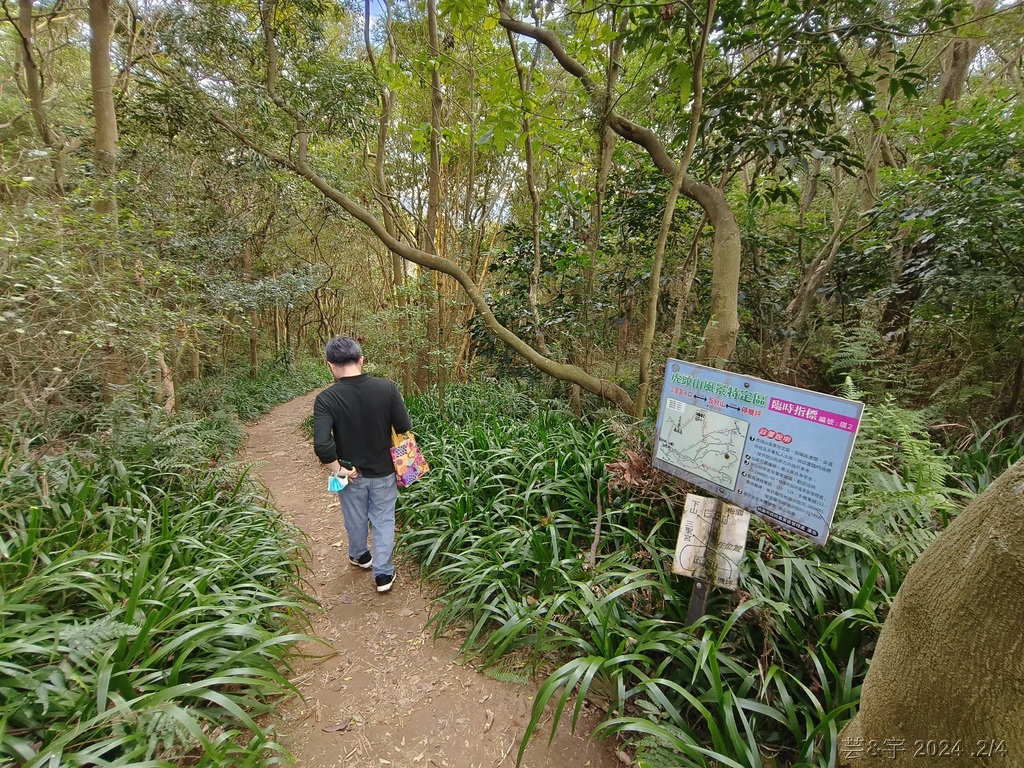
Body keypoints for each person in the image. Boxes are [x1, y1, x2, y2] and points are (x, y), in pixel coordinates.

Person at [313, 335, 411, 593]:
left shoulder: (326, 399)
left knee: (354, 517)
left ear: (331, 365)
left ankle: (360, 555)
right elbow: (404, 426)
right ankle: (383, 574)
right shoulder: (387, 388)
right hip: (384, 471)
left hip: (349, 473)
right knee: (383, 520)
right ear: (361, 360)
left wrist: (339, 470)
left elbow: (322, 445)